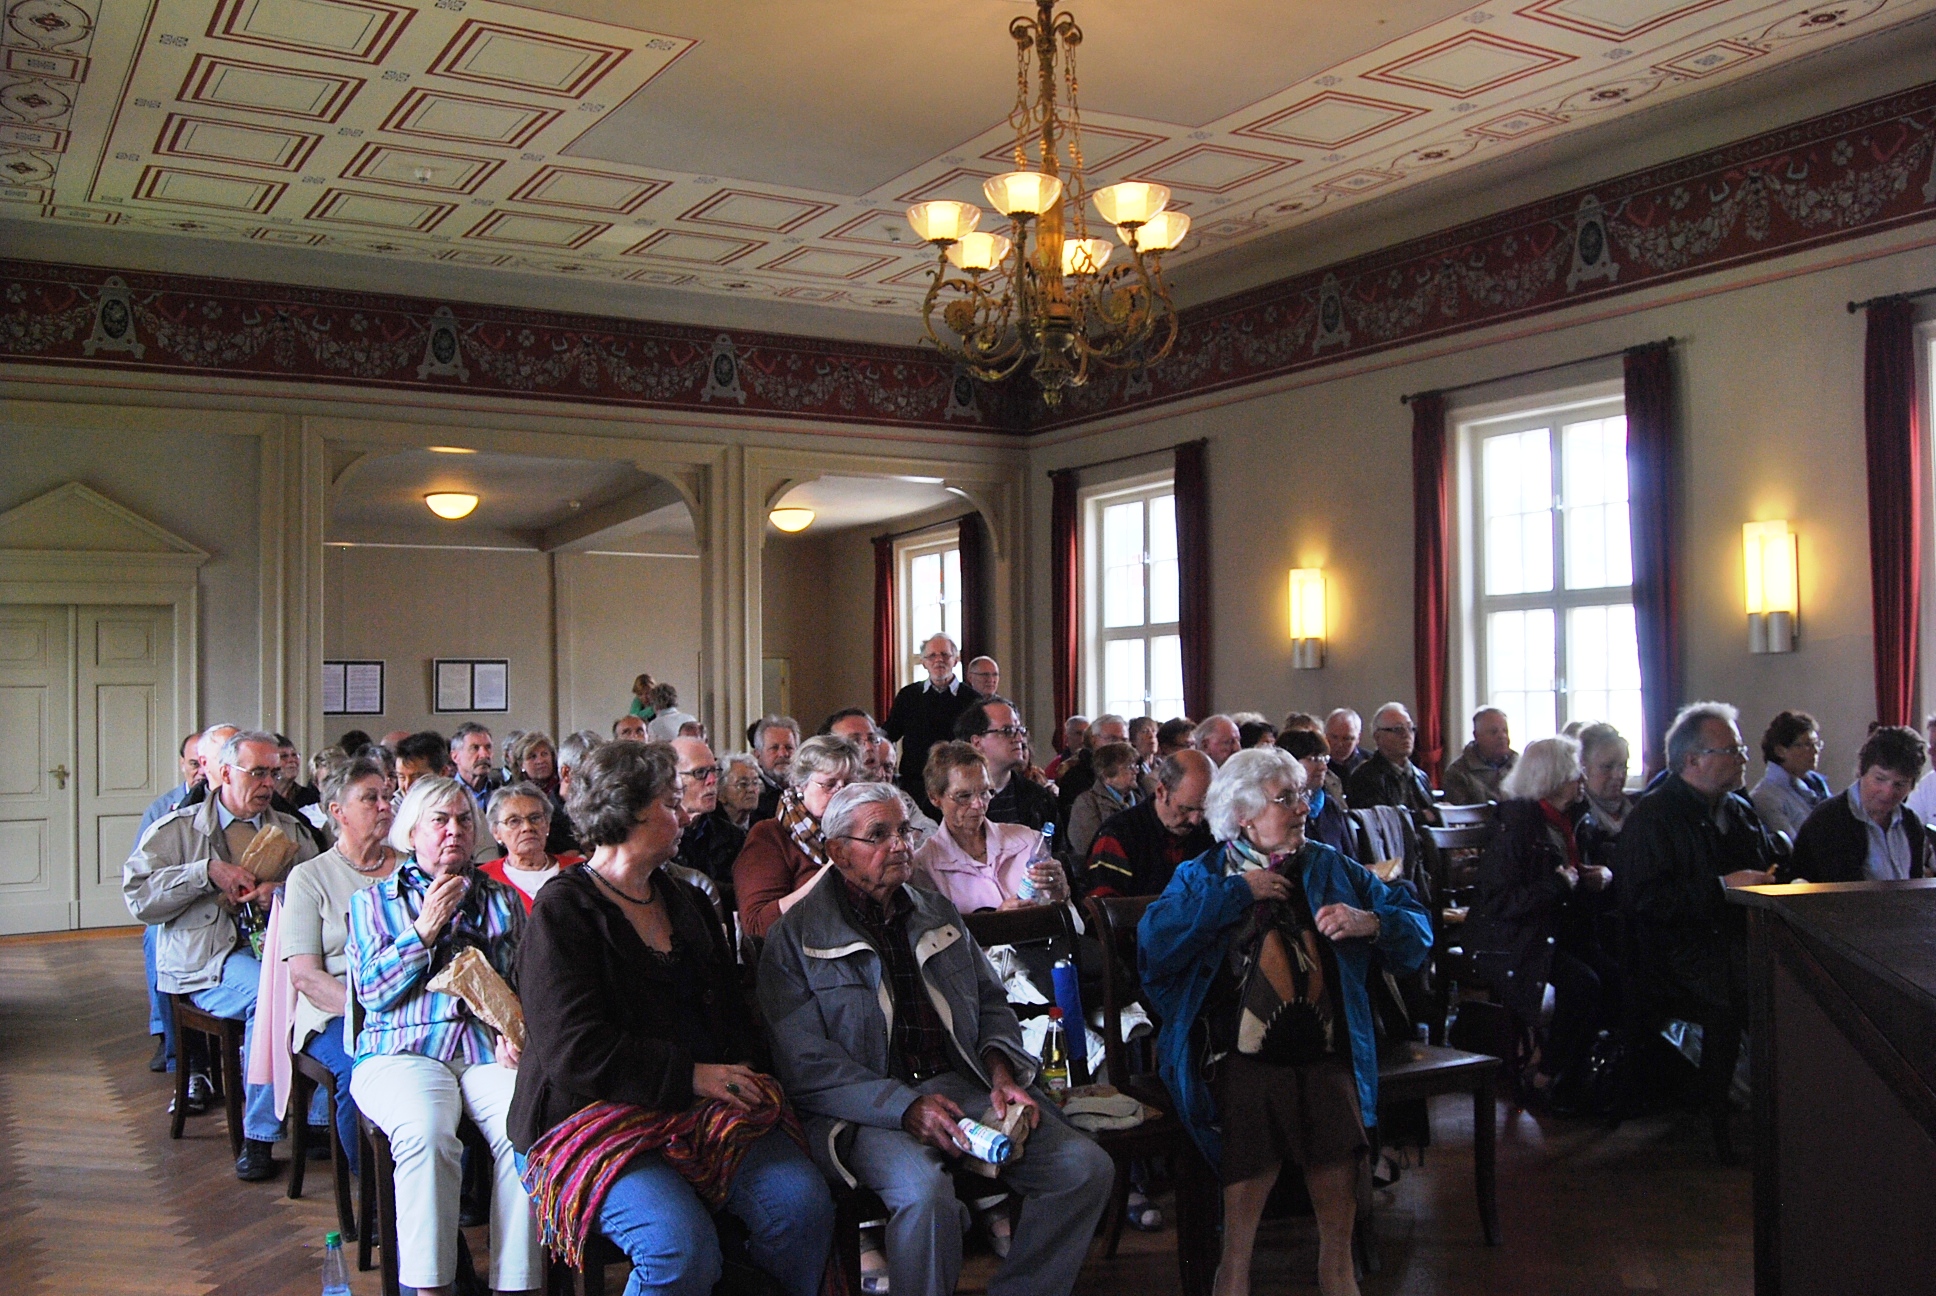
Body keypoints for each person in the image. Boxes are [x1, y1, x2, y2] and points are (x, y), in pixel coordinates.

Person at [759, 782, 1115, 1296]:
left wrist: (1001, 1072)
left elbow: (990, 1001)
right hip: (864, 1108)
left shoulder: (935, 912)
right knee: (925, 1195)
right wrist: (905, 1107)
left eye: (904, 831)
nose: (900, 845)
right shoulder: (797, 937)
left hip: (959, 1084)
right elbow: (806, 1066)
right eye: (879, 835)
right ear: (837, 851)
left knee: (1083, 1168)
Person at [511, 743, 835, 1296]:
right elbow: (575, 1051)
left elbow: (731, 1014)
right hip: (586, 1115)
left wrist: (750, 1072)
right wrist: (693, 1075)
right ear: (625, 814)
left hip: (694, 1107)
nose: (684, 815)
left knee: (803, 1206)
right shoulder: (564, 910)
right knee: (678, 1247)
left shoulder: (687, 900)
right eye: (669, 804)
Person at [1139, 748, 1431, 1296]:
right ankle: (1235, 1268)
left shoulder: (1329, 866)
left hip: (1324, 1043)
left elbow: (1416, 929)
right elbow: (1155, 950)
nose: (1303, 808)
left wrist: (1371, 921)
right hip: (1225, 1048)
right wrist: (1237, 893)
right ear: (1243, 816)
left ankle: (1335, 1265)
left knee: (1328, 1091)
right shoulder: (1204, 875)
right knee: (1258, 1089)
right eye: (1285, 798)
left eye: (1303, 796)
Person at [347, 776, 537, 1296]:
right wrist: (424, 929)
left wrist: (518, 1031)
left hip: (485, 1049)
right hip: (401, 1048)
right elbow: (373, 993)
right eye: (440, 820)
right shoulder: (374, 901)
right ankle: (431, 1288)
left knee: (528, 1124)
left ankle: (517, 1283)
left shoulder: (501, 900)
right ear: (412, 833)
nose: (454, 830)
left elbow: (525, 986)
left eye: (463, 820)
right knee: (427, 1133)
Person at [125, 728, 322, 1180]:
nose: (268, 783)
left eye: (274, 773)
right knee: (269, 999)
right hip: (205, 961)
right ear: (226, 773)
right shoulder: (179, 829)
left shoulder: (290, 829)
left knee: (328, 991)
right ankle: (260, 1135)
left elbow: (322, 888)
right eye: (257, 773)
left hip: (276, 952)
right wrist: (206, 872)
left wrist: (282, 892)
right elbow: (139, 898)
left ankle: (317, 1117)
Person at [1616, 701, 1776, 1158]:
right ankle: (1718, 1120)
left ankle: (1782, 1107)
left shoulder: (1736, 809)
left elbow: (1762, 864)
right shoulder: (1654, 816)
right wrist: (1721, 888)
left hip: (1727, 941)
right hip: (1670, 955)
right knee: (1739, 992)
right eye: (1732, 750)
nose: (1743, 758)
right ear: (1693, 760)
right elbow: (1645, 902)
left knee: (1791, 984)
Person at [1460, 737, 1619, 1107]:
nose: (1582, 779)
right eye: (1575, 772)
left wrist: (1600, 876)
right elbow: (1501, 901)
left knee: (1616, 976)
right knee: (1583, 985)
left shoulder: (1572, 820)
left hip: (1554, 929)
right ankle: (1547, 1075)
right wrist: (1558, 884)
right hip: (1514, 938)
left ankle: (1584, 1075)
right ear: (1553, 779)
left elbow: (1578, 873)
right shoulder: (1517, 826)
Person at [281, 754, 400, 1175]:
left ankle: (445, 1183)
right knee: (358, 1072)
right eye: (370, 798)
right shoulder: (309, 877)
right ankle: (375, 1192)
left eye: (387, 796)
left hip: (407, 1005)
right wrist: (366, 1013)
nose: (385, 806)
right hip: (335, 1011)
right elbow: (305, 975)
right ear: (338, 811)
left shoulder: (410, 867)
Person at [911, 742, 1068, 913]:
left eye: (985, 792)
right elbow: (938, 928)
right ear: (935, 797)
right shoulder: (924, 865)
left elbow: (1072, 922)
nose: (978, 804)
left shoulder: (1028, 840)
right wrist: (997, 920)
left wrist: (1061, 893)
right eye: (964, 796)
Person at [733, 734, 861, 940]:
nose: (841, 793)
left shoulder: (861, 833)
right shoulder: (770, 836)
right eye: (830, 784)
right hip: (798, 951)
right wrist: (831, 870)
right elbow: (756, 927)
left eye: (849, 784)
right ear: (801, 785)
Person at [1790, 725, 1931, 882]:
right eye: (1880, 779)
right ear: (1862, 771)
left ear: (1912, 786)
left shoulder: (1910, 823)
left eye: (1900, 784)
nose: (1888, 792)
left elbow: (1915, 886)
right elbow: (1842, 891)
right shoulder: (1829, 820)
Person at [1084, 750, 1215, 898]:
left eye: (1203, 810)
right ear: (1161, 792)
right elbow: (1105, 907)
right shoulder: (1120, 834)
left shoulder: (1209, 831)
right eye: (1185, 809)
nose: (1195, 820)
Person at [884, 634, 981, 814]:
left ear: (956, 660)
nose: (939, 660)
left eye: (945, 655)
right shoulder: (908, 696)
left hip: (958, 788)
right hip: (914, 787)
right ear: (923, 662)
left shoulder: (973, 700)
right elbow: (889, 733)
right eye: (932, 656)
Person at [954, 695, 1057, 831]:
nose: (1019, 738)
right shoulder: (954, 800)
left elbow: (1055, 843)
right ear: (977, 742)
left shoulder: (1039, 798)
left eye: (1020, 730)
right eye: (1007, 731)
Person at [479, 781, 579, 913]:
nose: (527, 827)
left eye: (535, 818)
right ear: (496, 832)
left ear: (547, 825)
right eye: (514, 821)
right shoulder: (483, 878)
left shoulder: (578, 869)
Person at [671, 735, 745, 891]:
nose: (712, 780)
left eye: (714, 770)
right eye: (700, 772)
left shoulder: (733, 837)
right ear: (673, 778)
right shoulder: (658, 837)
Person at [1346, 703, 1437, 824]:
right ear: (1378, 737)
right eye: (1398, 729)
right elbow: (1378, 822)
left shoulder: (1421, 776)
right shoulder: (1365, 777)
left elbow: (1434, 817)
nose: (1407, 735)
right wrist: (1423, 816)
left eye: (1410, 728)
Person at [1747, 710, 1831, 839]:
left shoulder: (1817, 785)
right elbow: (1791, 845)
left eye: (1816, 744)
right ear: (1780, 751)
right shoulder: (1765, 798)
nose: (1815, 751)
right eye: (1807, 744)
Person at [1279, 730, 1359, 861]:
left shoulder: (1329, 806)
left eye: (1324, 759)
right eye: (1314, 759)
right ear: (1290, 762)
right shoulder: (1282, 809)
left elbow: (1350, 858)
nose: (1323, 767)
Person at [1066, 741, 1143, 863]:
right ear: (1107, 775)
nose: (1136, 771)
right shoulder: (1087, 803)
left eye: (1135, 766)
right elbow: (1088, 846)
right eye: (1129, 767)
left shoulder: (1140, 800)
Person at [1055, 713, 1128, 821]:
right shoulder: (1076, 777)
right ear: (1094, 740)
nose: (1120, 745)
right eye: (1113, 739)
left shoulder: (1134, 774)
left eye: (1124, 740)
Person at [1441, 708, 1517, 805]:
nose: (1502, 736)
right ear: (1476, 735)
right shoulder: (1458, 772)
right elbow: (1460, 812)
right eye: (1494, 732)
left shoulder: (1520, 765)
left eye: (1505, 731)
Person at [1578, 723, 1637, 835]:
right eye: (1607, 767)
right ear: (1583, 768)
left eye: (1623, 766)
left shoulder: (1638, 807)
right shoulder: (1576, 818)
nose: (1618, 775)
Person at [750, 716, 801, 824]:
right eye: (774, 748)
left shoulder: (807, 788)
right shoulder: (751, 793)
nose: (783, 754)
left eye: (789, 747)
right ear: (757, 755)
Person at [505, 731, 560, 801]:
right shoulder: (512, 793)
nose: (540, 761)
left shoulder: (565, 787)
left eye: (544, 754)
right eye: (533, 757)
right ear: (521, 764)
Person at [395, 731, 450, 798]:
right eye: (402, 777)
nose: (407, 786)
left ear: (443, 773)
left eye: (416, 777)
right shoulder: (395, 804)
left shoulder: (459, 801)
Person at [718, 754, 764, 830]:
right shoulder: (711, 827)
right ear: (721, 794)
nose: (751, 789)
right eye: (743, 784)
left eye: (755, 783)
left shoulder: (764, 824)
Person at [1323, 710, 1369, 782]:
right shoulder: (1315, 763)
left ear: (1358, 738)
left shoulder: (1370, 762)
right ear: (1325, 735)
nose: (1339, 744)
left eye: (1346, 739)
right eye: (1334, 737)